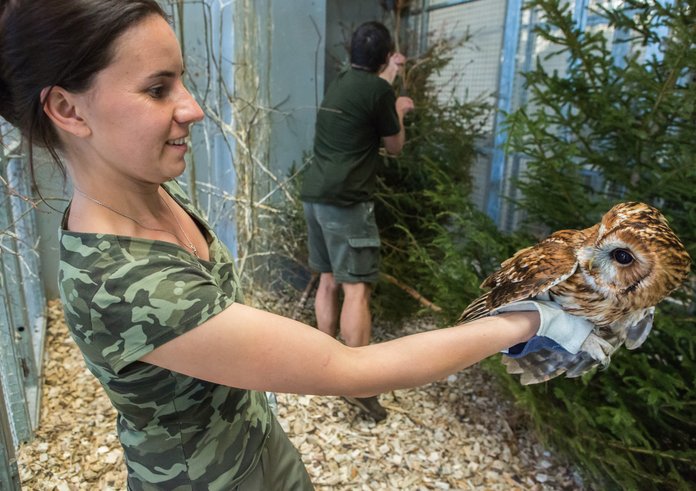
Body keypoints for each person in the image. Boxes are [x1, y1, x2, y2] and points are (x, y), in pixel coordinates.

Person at [0, 1, 594, 489]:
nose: (193, 107)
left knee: (329, 279)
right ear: (65, 109)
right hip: (211, 480)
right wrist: (526, 320)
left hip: (256, 429)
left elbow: (219, 321)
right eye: (158, 89)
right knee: (355, 284)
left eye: (182, 79)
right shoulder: (125, 283)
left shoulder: (146, 192)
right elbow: (350, 367)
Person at [300, 22, 414, 421]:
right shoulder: (380, 92)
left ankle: (320, 366)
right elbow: (395, 147)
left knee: (328, 280)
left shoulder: (343, 82)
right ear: (385, 58)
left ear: (352, 55)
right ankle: (360, 387)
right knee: (357, 290)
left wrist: (389, 75)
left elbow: (368, 91)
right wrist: (399, 108)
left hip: (314, 196)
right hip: (347, 203)